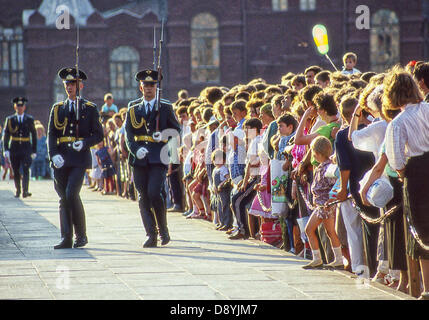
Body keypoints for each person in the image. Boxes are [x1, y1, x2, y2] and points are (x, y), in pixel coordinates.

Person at [383, 67, 429, 300]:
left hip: (418, 173)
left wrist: (403, 173)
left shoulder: (398, 122)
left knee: (421, 228)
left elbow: (396, 160)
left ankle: (427, 288)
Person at [47, 67, 104, 249]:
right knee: (63, 197)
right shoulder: (57, 109)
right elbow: (51, 135)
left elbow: (98, 135)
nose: (69, 87)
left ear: (81, 85)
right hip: (61, 159)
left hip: (79, 158)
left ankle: (81, 234)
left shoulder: (89, 108)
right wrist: (53, 155)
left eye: (73, 83)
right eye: (67, 83)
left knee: (72, 193)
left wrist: (85, 143)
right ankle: (66, 237)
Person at [124, 69, 181, 248]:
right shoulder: (133, 108)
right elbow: (128, 134)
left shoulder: (165, 107)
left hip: (159, 156)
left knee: (154, 192)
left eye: (152, 85)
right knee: (143, 196)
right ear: (141, 88)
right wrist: (134, 150)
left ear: (156, 87)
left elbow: (177, 131)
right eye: (146, 85)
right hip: (140, 157)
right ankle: (151, 234)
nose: (149, 88)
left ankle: (163, 229)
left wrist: (164, 135)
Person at [303, 136, 343, 269]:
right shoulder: (323, 166)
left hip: (324, 205)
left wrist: (331, 199)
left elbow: (335, 184)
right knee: (330, 231)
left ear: (317, 153)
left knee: (309, 229)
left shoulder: (328, 168)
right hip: (322, 204)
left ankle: (317, 258)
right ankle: (338, 259)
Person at [2, 97, 37, 198]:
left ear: (24, 107)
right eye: (18, 106)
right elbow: (6, 136)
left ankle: (25, 191)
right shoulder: (10, 120)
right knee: (16, 170)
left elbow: (33, 135)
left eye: (21, 106)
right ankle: (18, 190)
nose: (20, 108)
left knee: (26, 169)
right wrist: (6, 149)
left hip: (26, 148)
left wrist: (34, 150)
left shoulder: (29, 119)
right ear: (15, 107)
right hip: (14, 148)